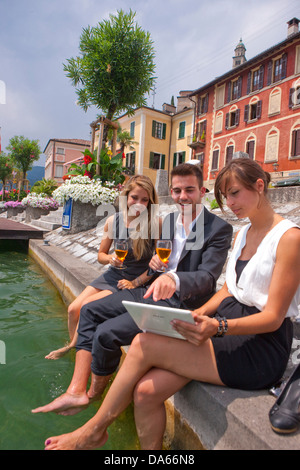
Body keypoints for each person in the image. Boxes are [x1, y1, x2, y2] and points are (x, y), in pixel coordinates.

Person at [37, 157, 300, 450]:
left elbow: (274, 317)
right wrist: (198, 315)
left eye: (235, 193)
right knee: (146, 392)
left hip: (258, 344)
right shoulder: (244, 233)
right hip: (218, 322)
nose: (229, 202)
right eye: (225, 195)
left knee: (142, 343)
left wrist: (217, 325)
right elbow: (228, 289)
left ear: (260, 186)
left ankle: (94, 430)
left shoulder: (288, 238)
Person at [32, 162, 233, 417]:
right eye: (177, 190)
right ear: (170, 192)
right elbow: (154, 257)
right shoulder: (168, 221)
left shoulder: (218, 228)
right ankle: (75, 390)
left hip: (182, 302)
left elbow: (207, 277)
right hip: (152, 291)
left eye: (189, 190)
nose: (182, 196)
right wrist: (155, 267)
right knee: (89, 311)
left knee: (106, 333)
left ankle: (94, 395)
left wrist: (172, 278)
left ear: (202, 191)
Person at [45, 174, 159, 359]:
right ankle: (77, 346)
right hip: (113, 274)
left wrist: (136, 282)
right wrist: (110, 259)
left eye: (145, 200)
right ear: (126, 197)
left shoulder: (155, 224)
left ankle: (73, 347)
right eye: (135, 198)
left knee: (87, 307)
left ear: (150, 201)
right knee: (73, 309)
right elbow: (100, 255)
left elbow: (159, 264)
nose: (139, 203)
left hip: (130, 280)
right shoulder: (113, 221)